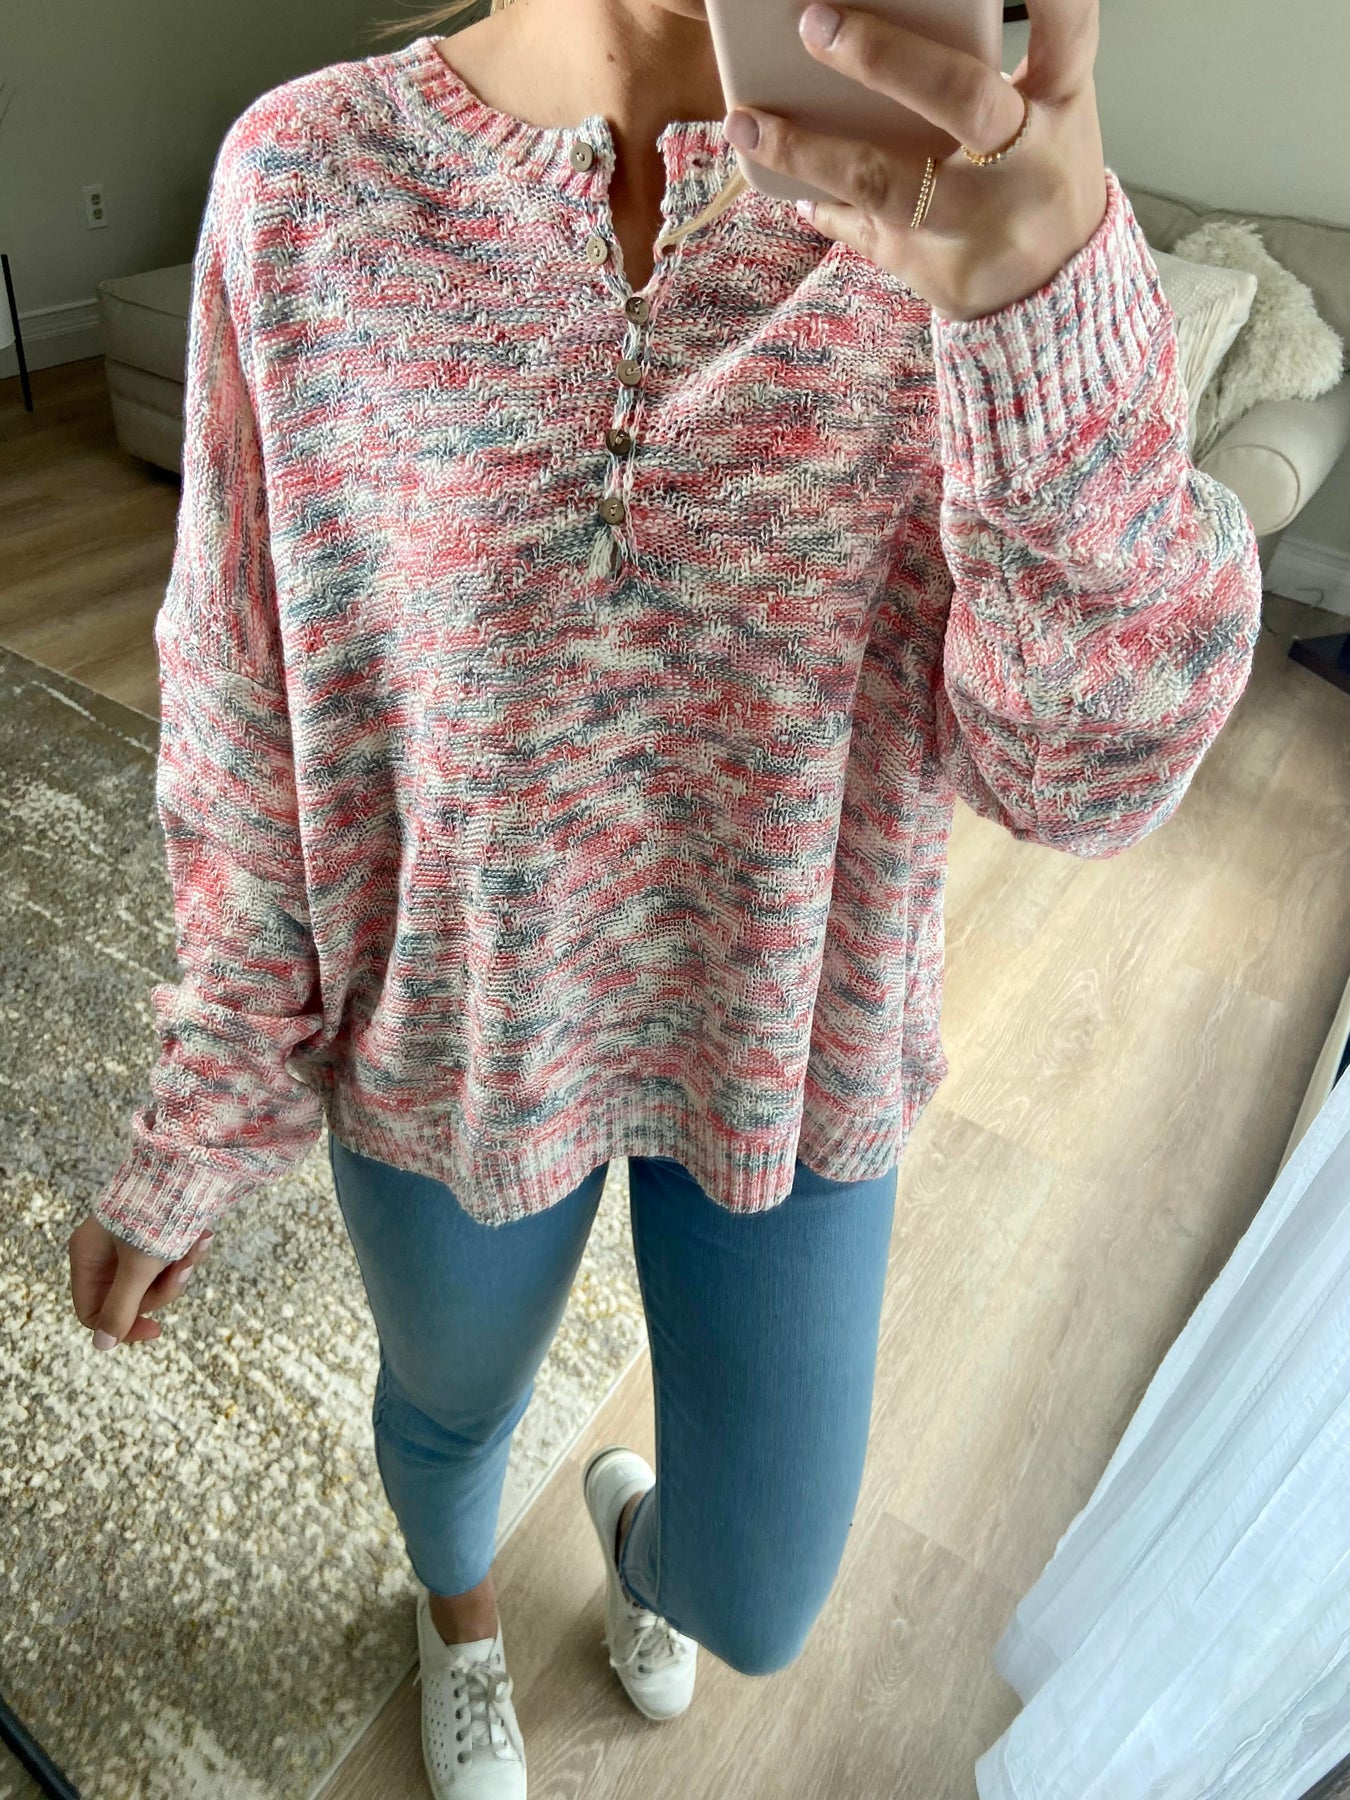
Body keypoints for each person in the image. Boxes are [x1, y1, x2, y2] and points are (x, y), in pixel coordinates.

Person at [67, 0, 1264, 1793]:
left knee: (758, 1598)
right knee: (450, 1412)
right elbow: (240, 691)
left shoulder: (953, 210)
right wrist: (211, 1094)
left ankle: (640, 1553)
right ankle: (458, 1614)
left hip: (787, 1043)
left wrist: (1039, 314)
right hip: (456, 1035)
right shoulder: (307, 180)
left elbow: (1083, 782)